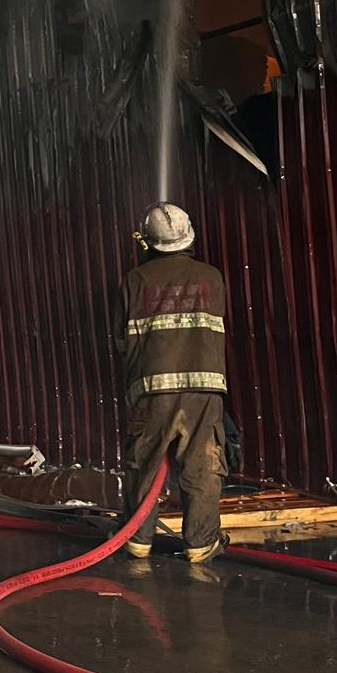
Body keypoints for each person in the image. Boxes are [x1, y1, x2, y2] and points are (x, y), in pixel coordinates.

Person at [118, 202, 230, 564]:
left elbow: (122, 341)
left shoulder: (135, 280)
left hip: (151, 389)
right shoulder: (211, 277)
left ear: (146, 241)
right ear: (189, 236)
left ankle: (138, 539)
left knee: (145, 462)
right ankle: (200, 542)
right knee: (202, 464)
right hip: (204, 387)